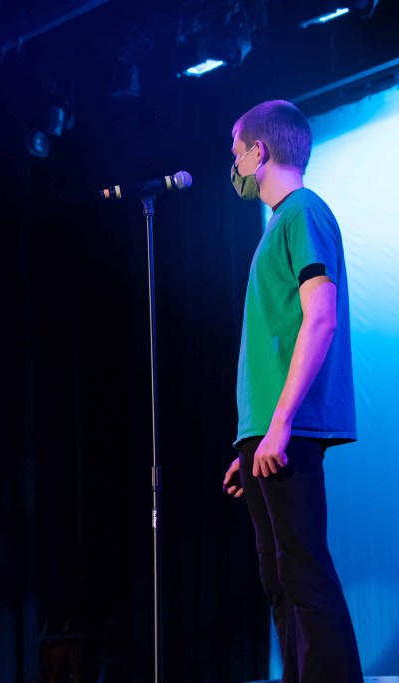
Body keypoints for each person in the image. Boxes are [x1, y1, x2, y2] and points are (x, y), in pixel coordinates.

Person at [221, 100, 362, 682]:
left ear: (259, 151)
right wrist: (253, 437)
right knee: (280, 577)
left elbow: (319, 317)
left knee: (303, 569)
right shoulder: (279, 223)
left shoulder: (304, 211)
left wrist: (279, 425)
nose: (234, 166)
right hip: (266, 431)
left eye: (237, 154)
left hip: (290, 426)